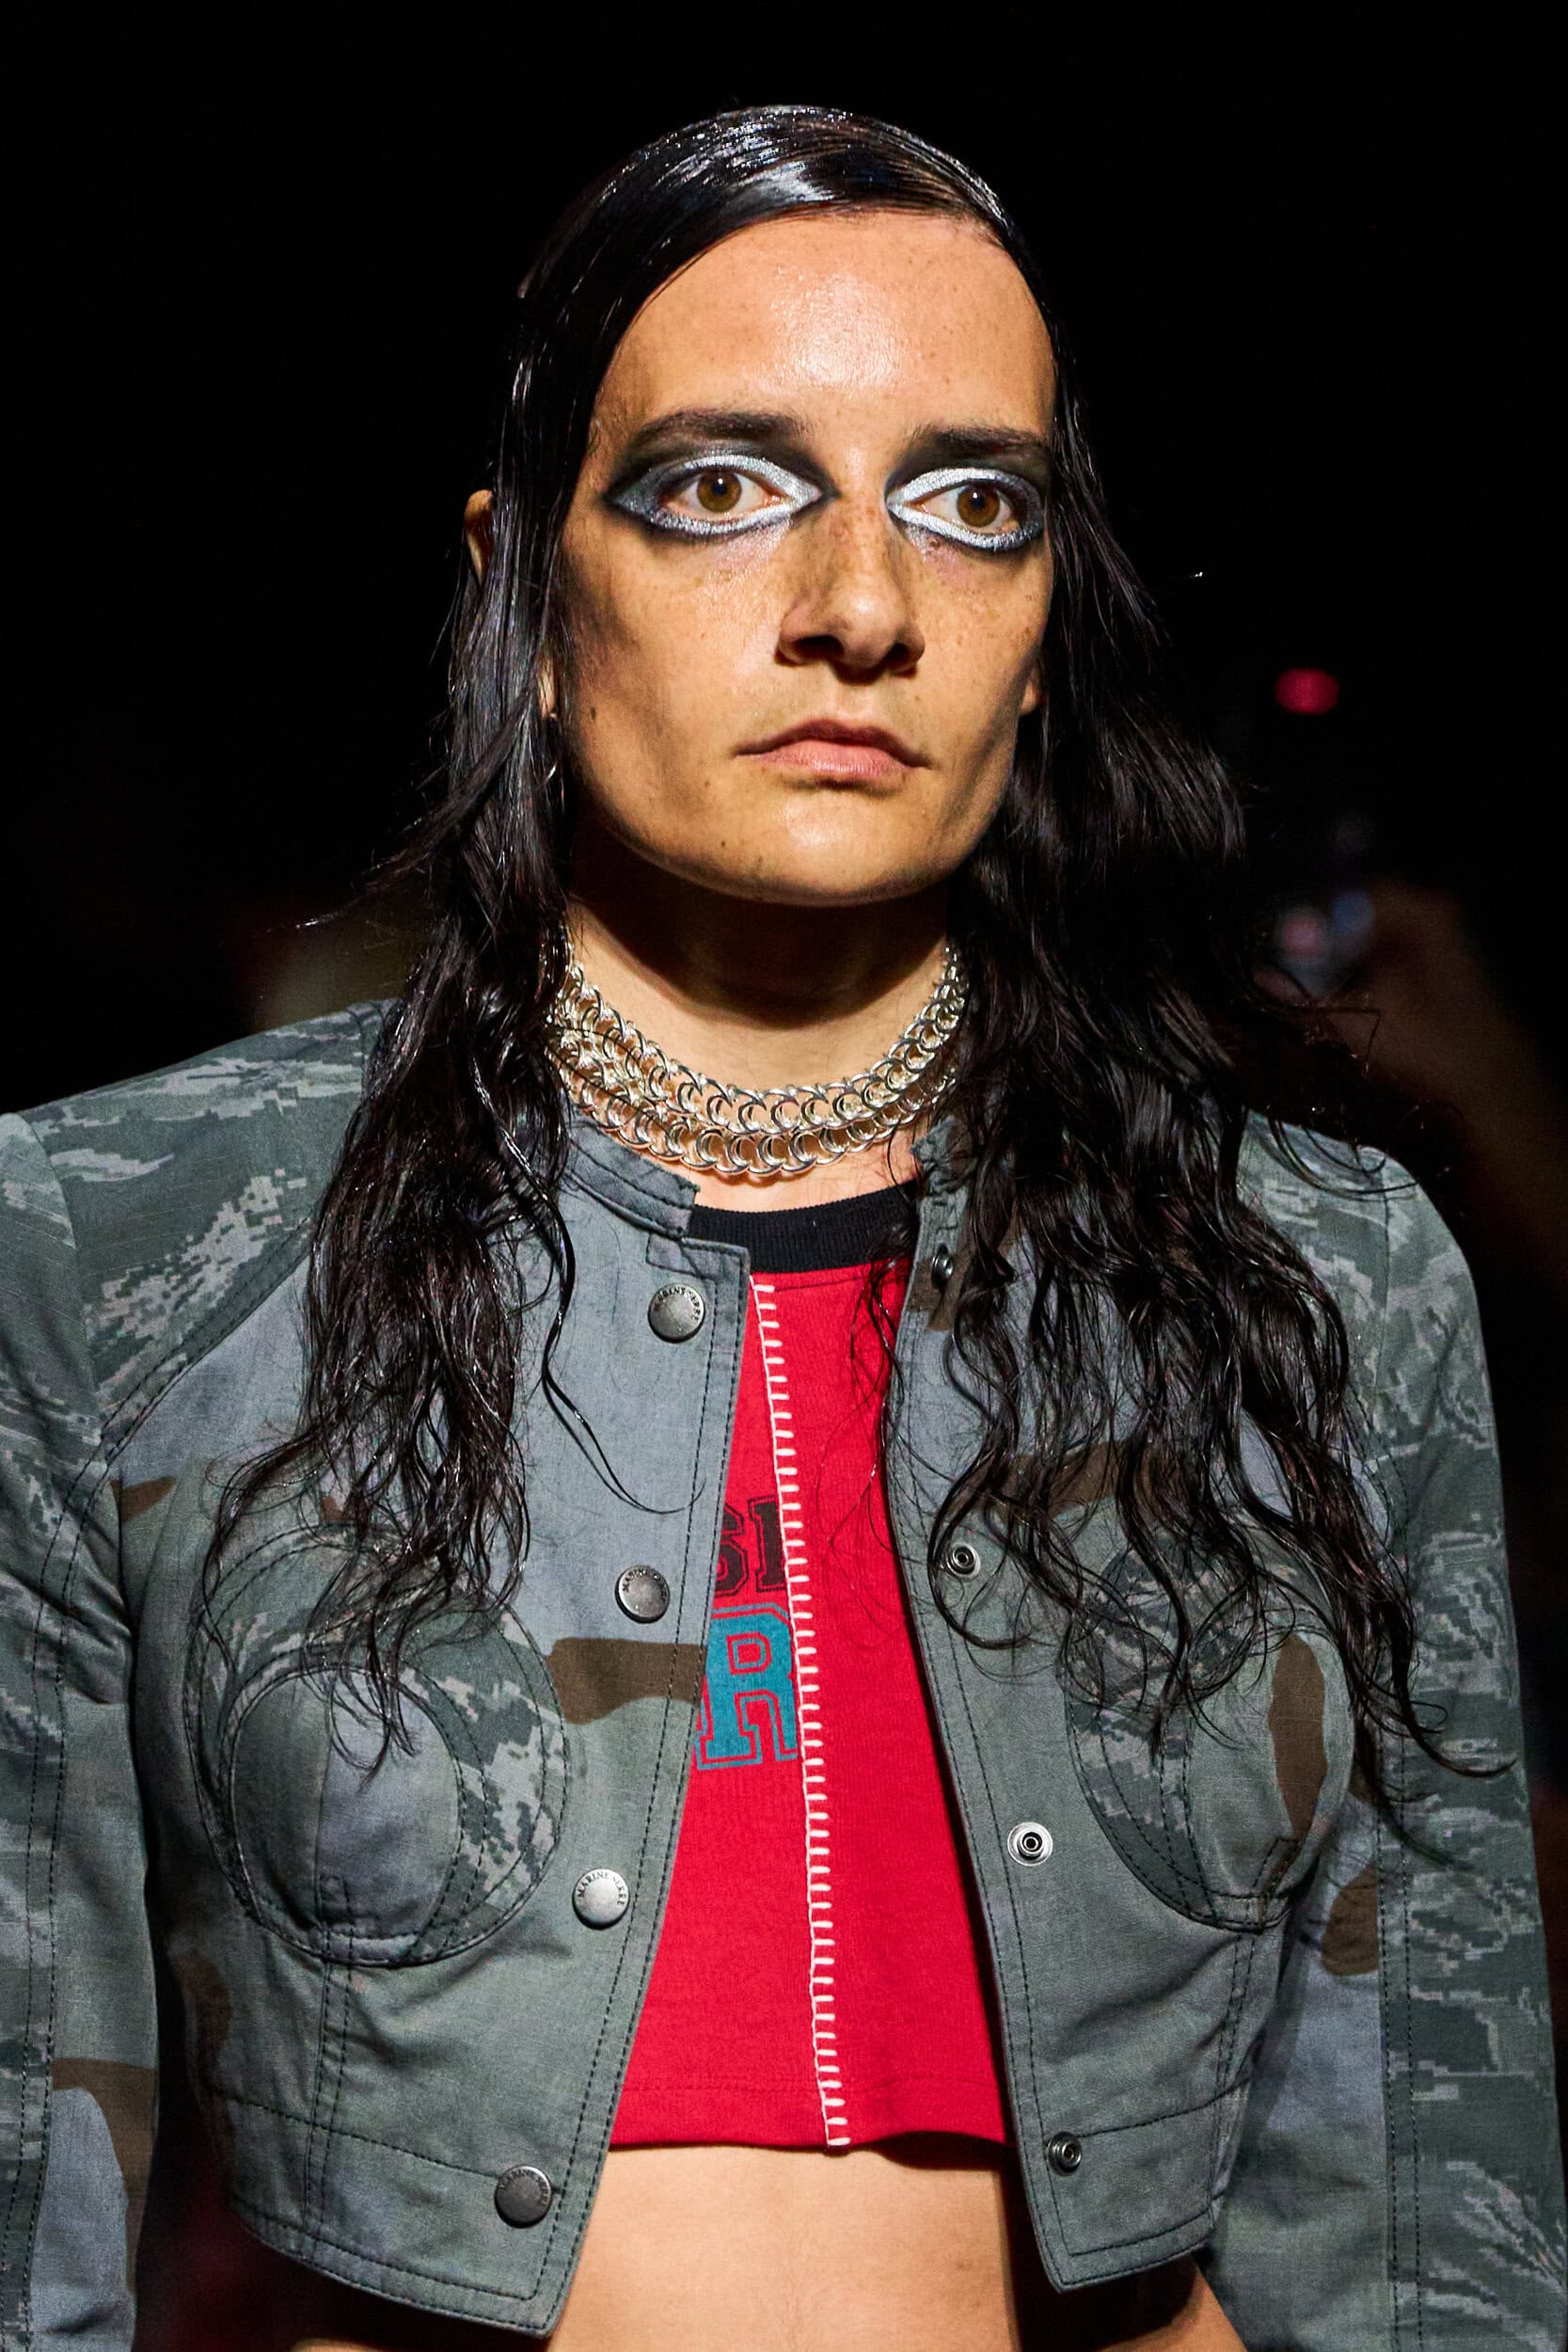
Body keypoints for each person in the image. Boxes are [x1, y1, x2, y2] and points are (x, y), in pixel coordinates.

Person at [1, 107, 1561, 2352]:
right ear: (527, 591)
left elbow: (1427, 2201)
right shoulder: (127, 1245)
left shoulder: (1318, 1272)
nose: (861, 605)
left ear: (1044, 624)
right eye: (724, 485)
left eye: (973, 503)